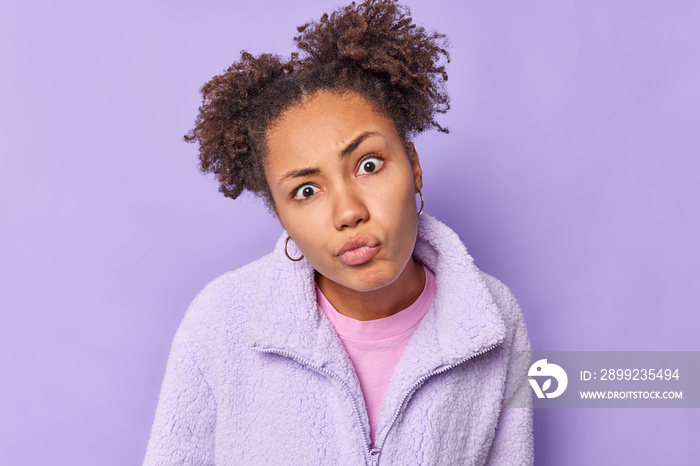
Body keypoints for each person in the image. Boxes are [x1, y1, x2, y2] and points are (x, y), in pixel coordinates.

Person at [143, 1, 533, 464]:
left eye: (368, 165)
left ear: (413, 165)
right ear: (280, 214)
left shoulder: (495, 318)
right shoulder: (221, 322)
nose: (348, 212)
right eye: (306, 190)